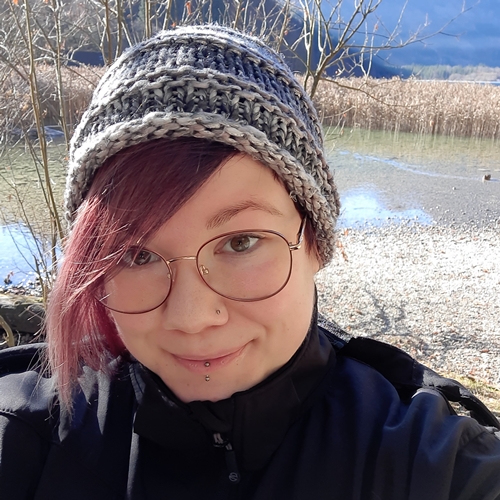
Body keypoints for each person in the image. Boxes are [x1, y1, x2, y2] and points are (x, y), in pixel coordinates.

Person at [0, 25, 499, 500]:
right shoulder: (27, 433)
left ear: (314, 243)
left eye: (240, 242)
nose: (192, 317)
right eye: (137, 254)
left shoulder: (432, 461)